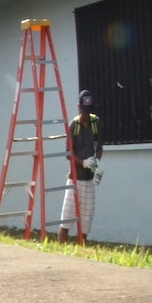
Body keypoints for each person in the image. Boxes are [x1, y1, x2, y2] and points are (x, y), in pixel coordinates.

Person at [58, 89, 103, 242]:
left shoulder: (96, 123)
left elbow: (100, 149)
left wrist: (95, 162)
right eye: (84, 111)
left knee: (87, 218)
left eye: (88, 111)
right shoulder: (73, 125)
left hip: (89, 180)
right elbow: (67, 153)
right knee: (67, 217)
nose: (85, 115)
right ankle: (59, 249)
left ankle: (81, 248)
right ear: (79, 108)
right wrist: (82, 163)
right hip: (75, 179)